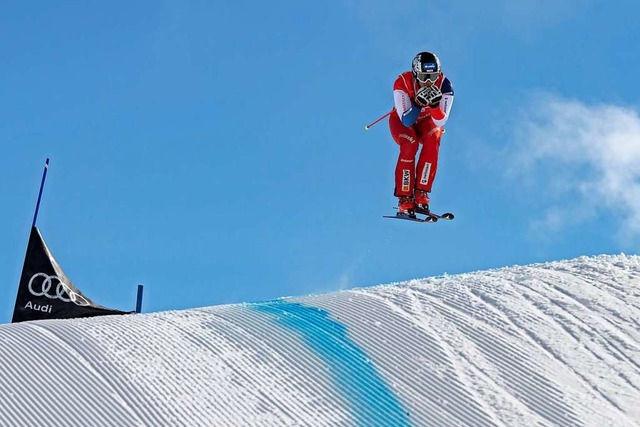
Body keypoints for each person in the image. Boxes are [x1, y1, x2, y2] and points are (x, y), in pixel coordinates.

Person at [389, 51, 454, 214]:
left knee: (434, 137)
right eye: (424, 76)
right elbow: (406, 120)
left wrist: (433, 106)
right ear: (415, 73)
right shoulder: (403, 82)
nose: (427, 82)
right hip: (403, 122)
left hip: (426, 121)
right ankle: (404, 198)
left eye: (432, 77)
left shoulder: (445, 85)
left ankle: (421, 193)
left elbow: (441, 121)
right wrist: (417, 104)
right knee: (410, 144)